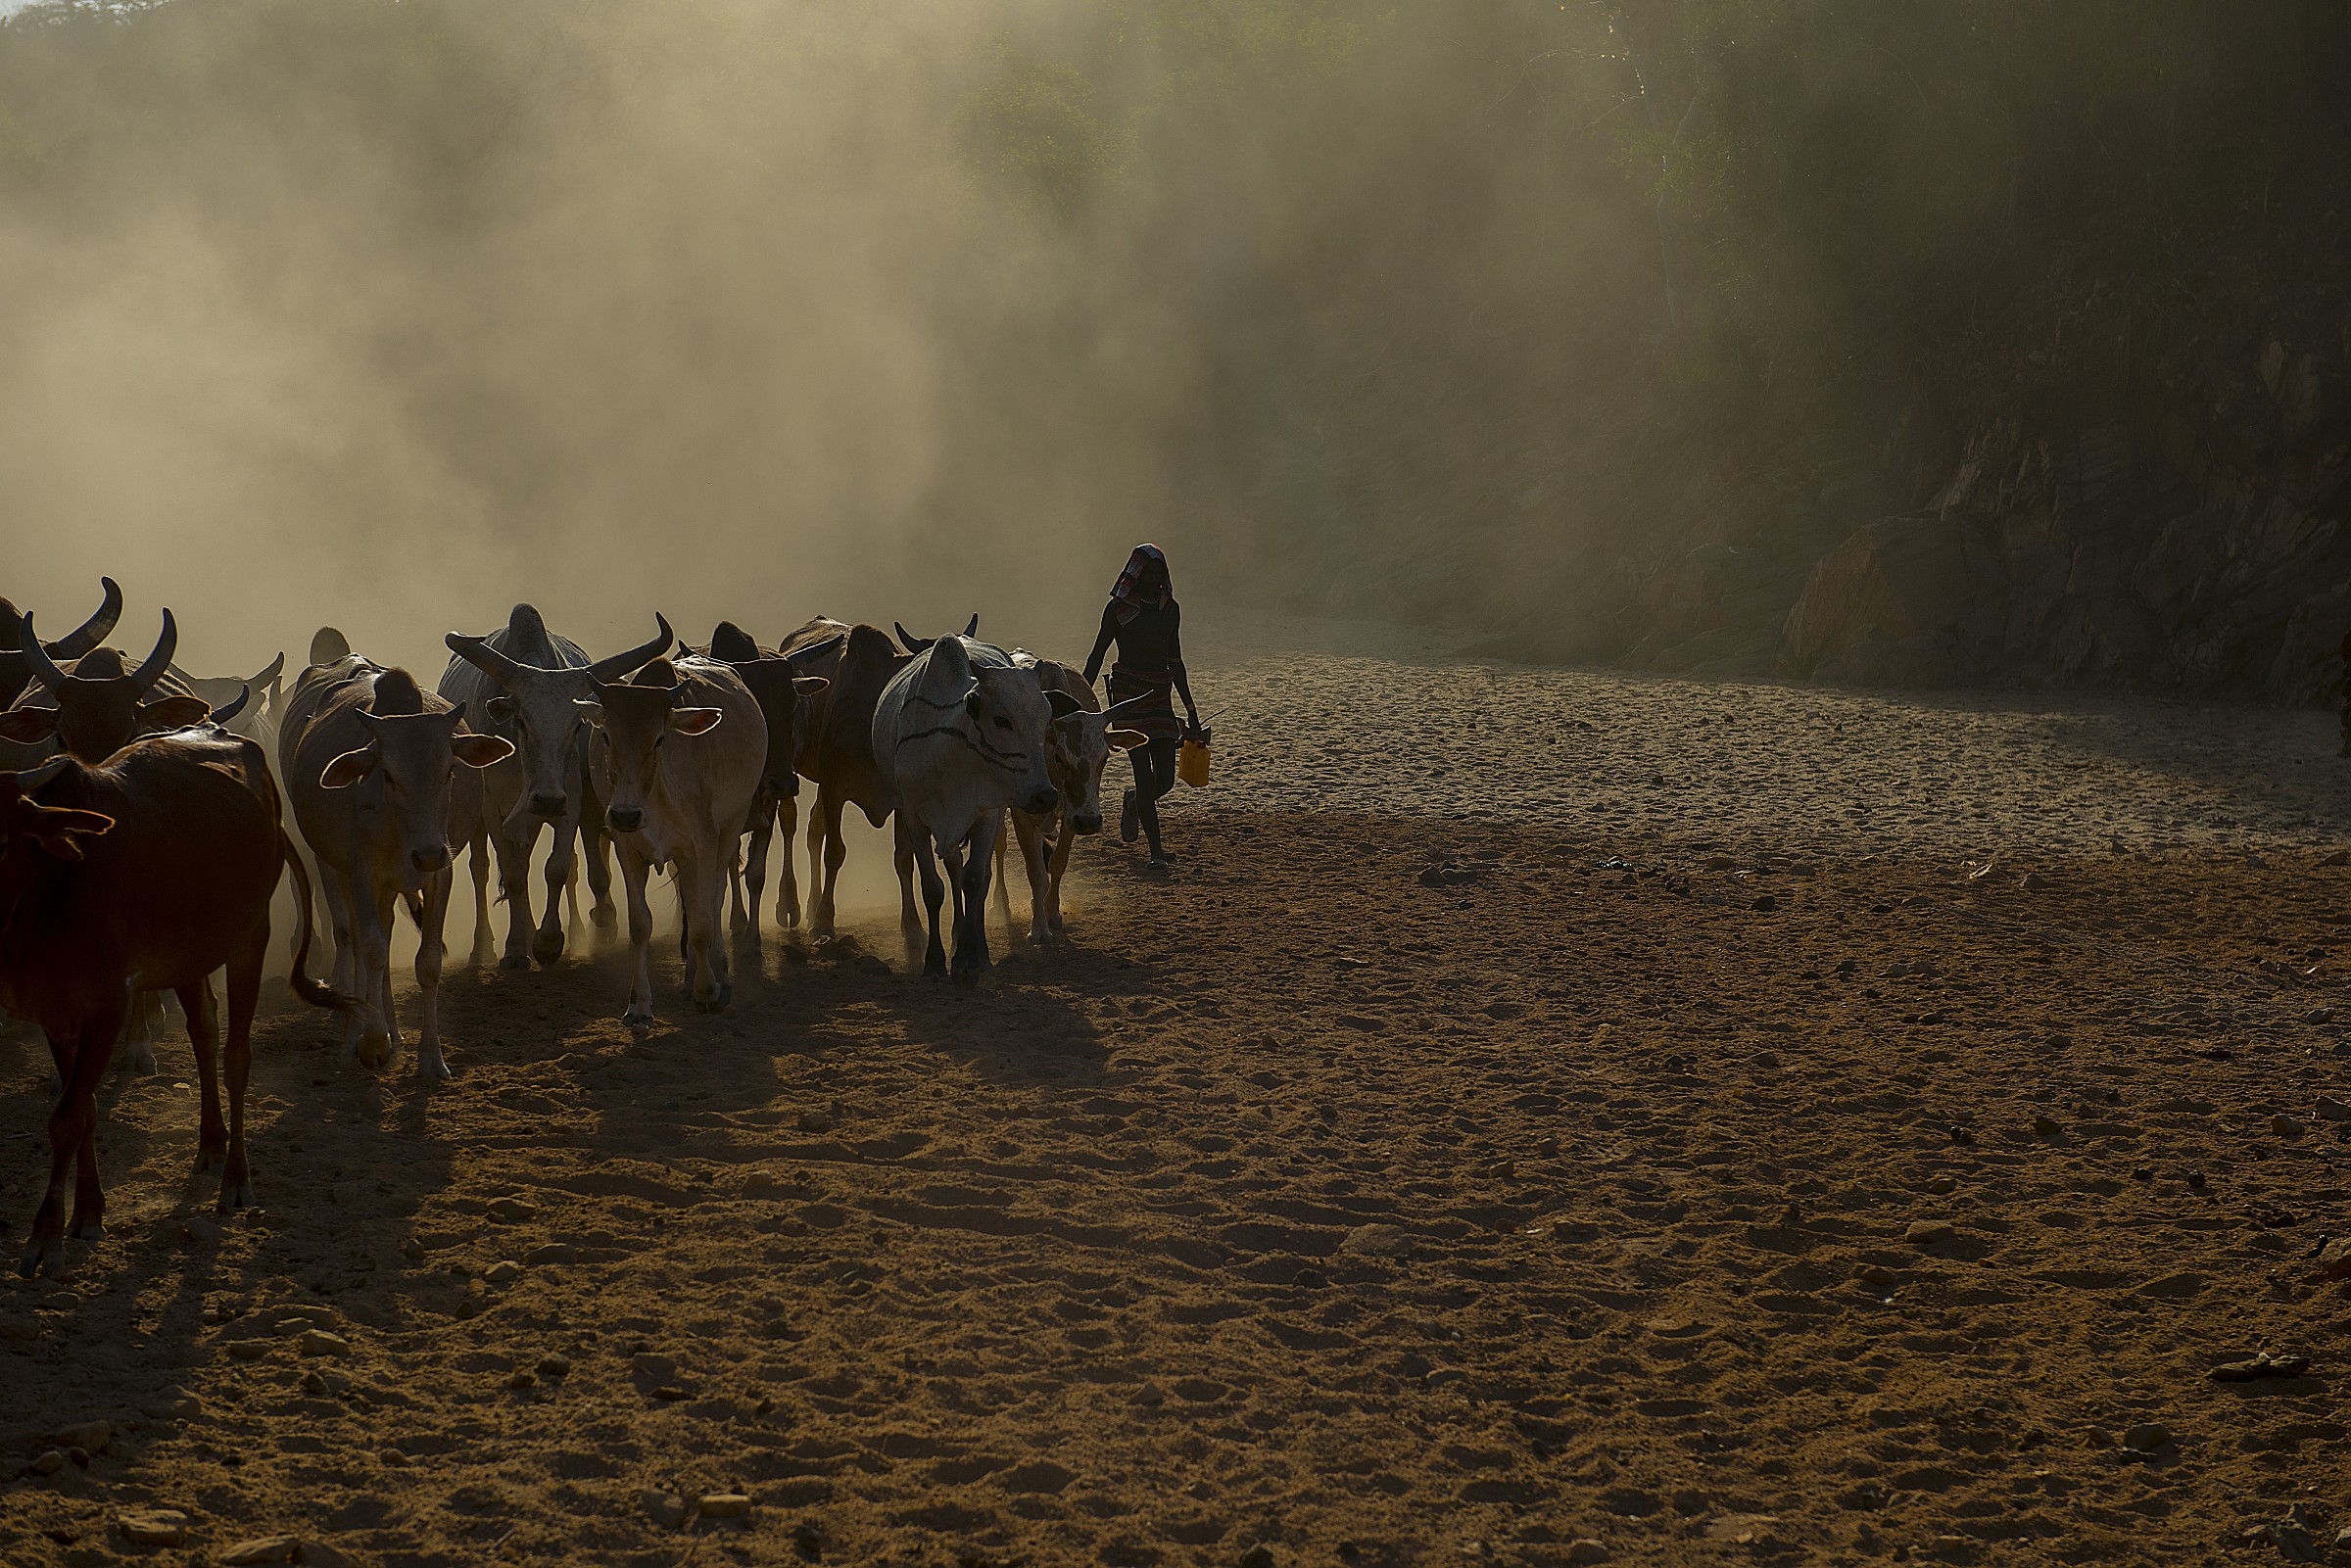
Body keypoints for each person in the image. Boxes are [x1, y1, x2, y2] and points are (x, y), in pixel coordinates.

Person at [1082, 543, 1200, 868]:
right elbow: (1097, 655)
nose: (1154, 578)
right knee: (1145, 779)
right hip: (1128, 700)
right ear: (1136, 575)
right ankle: (1156, 853)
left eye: (1159, 572)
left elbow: (1175, 661)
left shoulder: (1169, 610)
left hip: (1160, 698)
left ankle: (1133, 804)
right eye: (1148, 572)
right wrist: (1082, 696)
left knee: (1165, 780)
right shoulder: (1118, 610)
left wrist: (1191, 710)